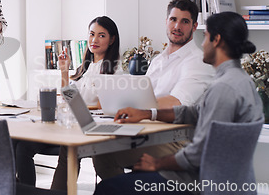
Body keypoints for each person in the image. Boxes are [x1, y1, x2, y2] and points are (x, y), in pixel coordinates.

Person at [94, 11, 264, 195]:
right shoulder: (241, 81)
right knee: (133, 172)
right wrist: (147, 113)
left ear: (217, 40)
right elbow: (194, 113)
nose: (203, 43)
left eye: (205, 37)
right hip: (230, 180)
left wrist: (157, 163)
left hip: (201, 184)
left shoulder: (224, 89)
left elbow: (200, 152)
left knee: (108, 188)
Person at [90, 0, 215, 181]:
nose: (177, 26)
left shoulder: (197, 61)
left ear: (194, 26)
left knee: (104, 155)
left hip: (176, 141)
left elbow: (176, 103)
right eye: (173, 19)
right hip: (148, 132)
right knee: (101, 149)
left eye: (185, 21)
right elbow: (143, 95)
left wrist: (139, 111)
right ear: (166, 22)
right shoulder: (158, 60)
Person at [15, 16, 121, 188]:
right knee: (21, 145)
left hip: (86, 129)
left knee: (25, 147)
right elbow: (68, 97)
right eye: (92, 34)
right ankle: (25, 191)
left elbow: (103, 107)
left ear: (112, 40)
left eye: (101, 35)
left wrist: (74, 106)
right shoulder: (85, 68)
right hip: (68, 124)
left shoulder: (114, 70)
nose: (94, 40)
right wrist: (64, 70)